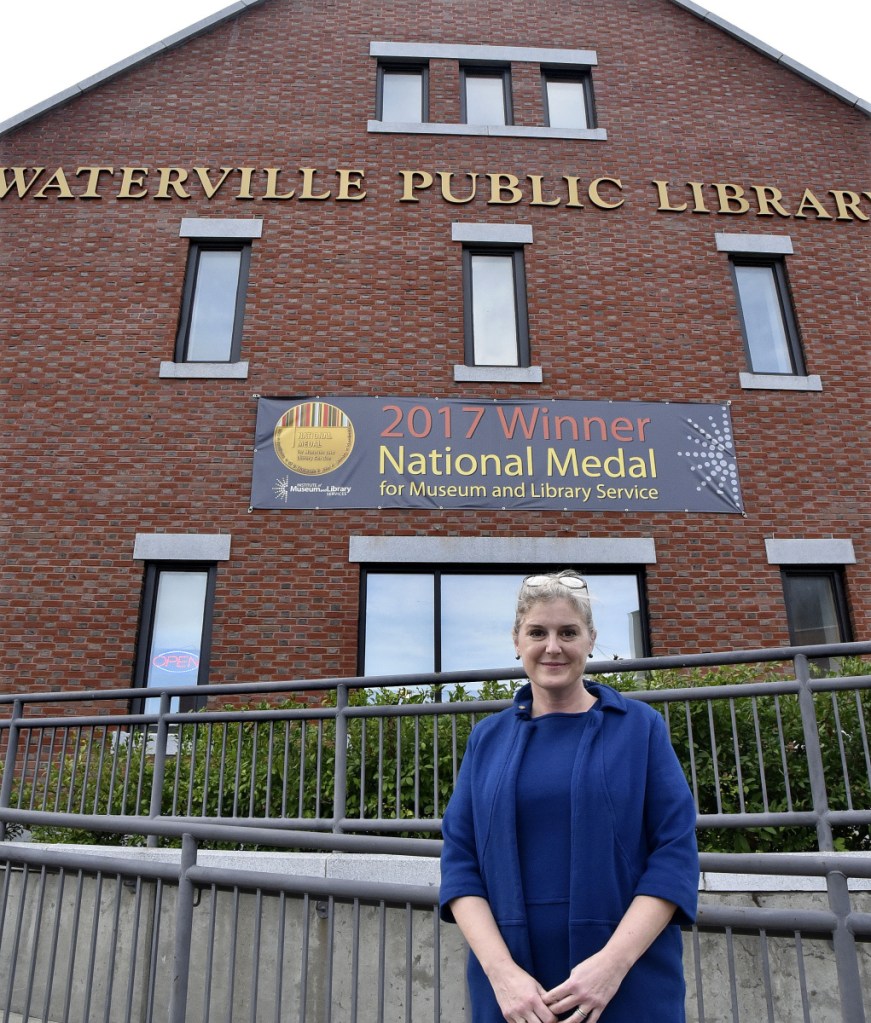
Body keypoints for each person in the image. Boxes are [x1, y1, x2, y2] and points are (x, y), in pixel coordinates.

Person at [439, 570, 699, 1023]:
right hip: (514, 1001)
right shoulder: (487, 738)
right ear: (517, 640)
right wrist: (503, 977)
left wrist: (610, 967)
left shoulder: (641, 728)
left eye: (568, 632)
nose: (553, 647)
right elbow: (460, 864)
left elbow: (674, 855)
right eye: (537, 632)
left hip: (628, 988)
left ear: (591, 639)